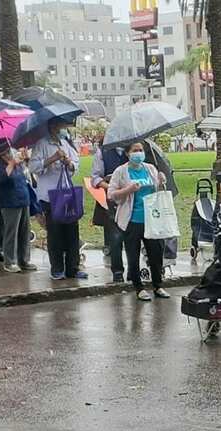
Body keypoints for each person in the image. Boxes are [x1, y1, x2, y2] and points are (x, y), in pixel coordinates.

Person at [107, 142, 170, 301]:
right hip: (132, 220)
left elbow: (158, 191)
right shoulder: (121, 171)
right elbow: (111, 194)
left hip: (152, 219)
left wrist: (161, 181)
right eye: (135, 151)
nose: (139, 153)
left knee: (156, 253)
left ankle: (158, 285)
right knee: (133, 254)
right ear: (128, 153)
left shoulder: (150, 169)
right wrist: (128, 190)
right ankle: (138, 287)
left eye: (141, 150)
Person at [27, 118, 85, 280]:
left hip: (67, 193)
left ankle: (73, 267)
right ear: (52, 126)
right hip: (50, 196)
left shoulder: (66, 143)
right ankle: (57, 268)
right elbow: (33, 167)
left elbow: (76, 164)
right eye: (61, 126)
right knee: (55, 233)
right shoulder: (42, 144)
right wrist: (51, 159)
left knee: (72, 232)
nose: (64, 129)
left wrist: (68, 162)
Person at [0, 138, 35, 273]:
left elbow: (27, 177)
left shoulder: (19, 164)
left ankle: (24, 260)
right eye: (6, 153)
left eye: (9, 151)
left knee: (24, 232)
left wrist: (26, 161)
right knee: (11, 233)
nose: (9, 154)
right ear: (0, 155)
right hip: (10, 203)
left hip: (23, 199)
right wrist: (10, 164)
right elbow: (1, 179)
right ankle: (9, 261)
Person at [91, 141, 129, 282]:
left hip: (133, 199)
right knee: (115, 235)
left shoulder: (134, 148)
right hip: (113, 200)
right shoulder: (103, 152)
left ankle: (133, 271)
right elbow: (96, 178)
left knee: (133, 236)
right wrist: (112, 187)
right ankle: (117, 272)